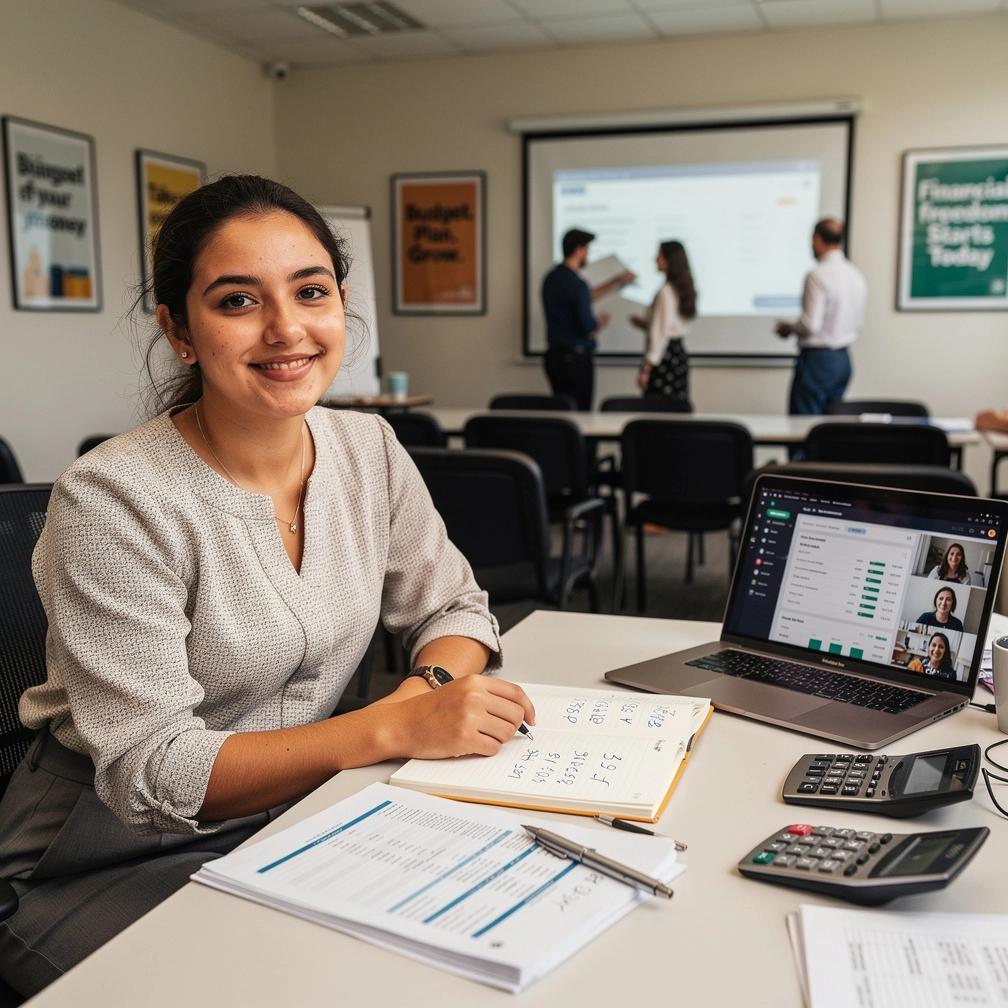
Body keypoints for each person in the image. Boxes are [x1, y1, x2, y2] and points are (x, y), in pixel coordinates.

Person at [0, 175, 536, 998]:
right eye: (238, 301)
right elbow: (154, 772)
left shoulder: (368, 449)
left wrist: (421, 693)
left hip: (299, 812)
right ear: (179, 330)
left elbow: (454, 609)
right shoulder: (114, 498)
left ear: (339, 306)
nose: (286, 329)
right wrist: (391, 731)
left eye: (310, 292)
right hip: (96, 850)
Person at [774, 218, 867, 415]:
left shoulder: (817, 275)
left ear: (817, 239)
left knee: (802, 427)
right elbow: (858, 323)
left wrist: (789, 328)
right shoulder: (855, 274)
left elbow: (810, 325)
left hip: (817, 361)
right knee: (831, 429)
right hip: (842, 360)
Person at [541, 228, 633, 411]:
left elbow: (585, 296)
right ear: (579, 250)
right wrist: (600, 322)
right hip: (576, 361)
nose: (588, 255)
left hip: (555, 357)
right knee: (581, 413)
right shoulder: (578, 284)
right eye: (587, 250)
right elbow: (588, 327)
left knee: (562, 409)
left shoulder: (551, 279)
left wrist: (615, 282)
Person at [630, 240, 695, 402]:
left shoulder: (666, 292)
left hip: (664, 359)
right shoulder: (680, 289)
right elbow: (670, 326)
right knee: (675, 408)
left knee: (658, 409)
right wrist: (647, 324)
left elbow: (660, 334)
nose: (655, 260)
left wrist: (646, 369)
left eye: (659, 256)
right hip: (677, 356)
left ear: (669, 261)